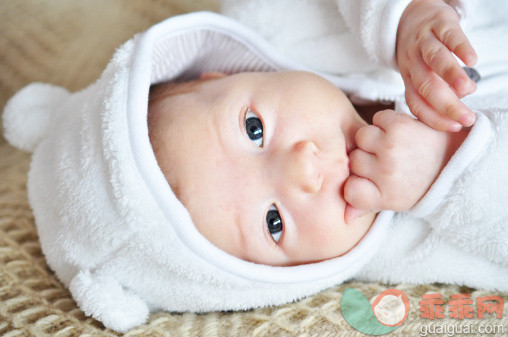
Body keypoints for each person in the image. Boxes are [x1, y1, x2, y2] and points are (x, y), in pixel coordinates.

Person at [2, 2, 507, 334]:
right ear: (282, 278)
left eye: (254, 130)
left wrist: (403, 17)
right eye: (274, 222)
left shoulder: (278, 17)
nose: (302, 170)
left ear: (226, 73)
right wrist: (448, 173)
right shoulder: (417, 250)